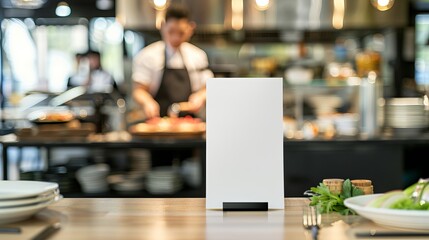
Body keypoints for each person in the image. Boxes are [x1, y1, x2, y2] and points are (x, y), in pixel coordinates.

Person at [132, 5, 213, 119]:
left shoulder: (198, 56)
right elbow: (139, 90)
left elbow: (207, 88)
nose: (175, 38)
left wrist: (200, 96)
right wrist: (147, 102)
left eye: (181, 33)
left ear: (191, 29)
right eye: (171, 32)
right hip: (157, 122)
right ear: (162, 26)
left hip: (190, 122)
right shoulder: (147, 56)